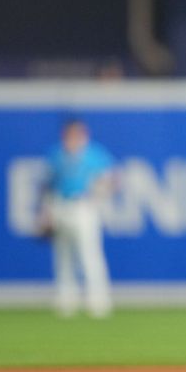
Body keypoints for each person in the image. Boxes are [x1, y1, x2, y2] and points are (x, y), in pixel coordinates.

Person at [39, 119, 115, 318]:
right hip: (60, 205)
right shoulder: (56, 155)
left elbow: (112, 179)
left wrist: (99, 195)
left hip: (83, 206)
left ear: (83, 134)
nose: (72, 138)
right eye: (69, 134)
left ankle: (98, 299)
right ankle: (66, 298)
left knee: (90, 255)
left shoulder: (94, 154)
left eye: (76, 134)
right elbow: (48, 185)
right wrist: (46, 212)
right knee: (63, 256)